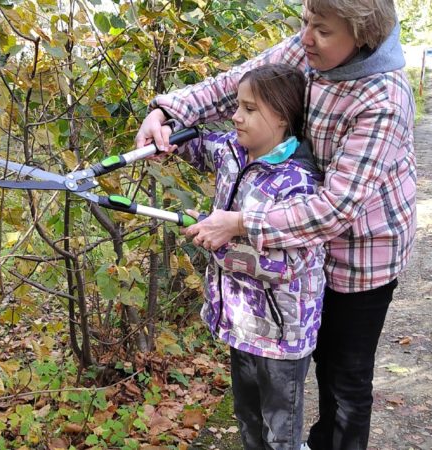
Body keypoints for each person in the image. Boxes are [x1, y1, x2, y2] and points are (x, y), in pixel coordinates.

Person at [135, 1, 416, 449]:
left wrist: (241, 222)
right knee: (292, 356)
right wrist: (169, 114)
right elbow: (235, 86)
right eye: (306, 23)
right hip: (295, 245)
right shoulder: (311, 48)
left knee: (343, 381)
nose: (306, 38)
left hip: (361, 253)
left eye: (322, 31)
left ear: (361, 37)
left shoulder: (383, 97)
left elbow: (335, 209)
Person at [171, 63, 326, 450]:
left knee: (280, 432)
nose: (236, 117)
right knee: (248, 422)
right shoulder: (233, 152)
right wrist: (166, 138)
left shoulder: (297, 183)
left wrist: (217, 240)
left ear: (281, 116)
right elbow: (196, 146)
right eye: (237, 106)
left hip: (281, 336)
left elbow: (288, 265)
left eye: (250, 109)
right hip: (241, 325)